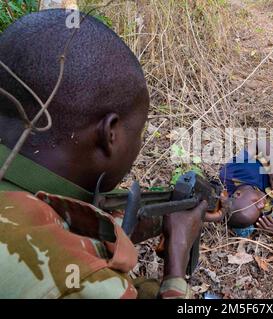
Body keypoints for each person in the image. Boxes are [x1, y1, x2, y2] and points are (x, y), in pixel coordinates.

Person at [0, 9, 207, 298]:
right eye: (138, 132)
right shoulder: (77, 283)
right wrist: (176, 268)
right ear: (110, 133)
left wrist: (155, 219)